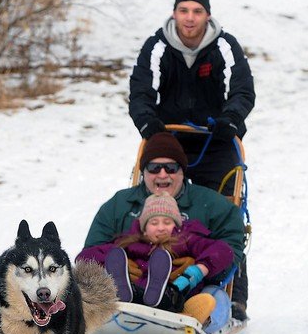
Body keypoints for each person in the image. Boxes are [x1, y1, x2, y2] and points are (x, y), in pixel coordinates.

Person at [82, 131, 248, 320]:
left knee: (212, 298)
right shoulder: (121, 207)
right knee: (90, 287)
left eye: (170, 167)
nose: (162, 174)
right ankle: (115, 305)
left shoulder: (205, 214)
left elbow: (229, 252)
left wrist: (199, 269)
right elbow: (89, 253)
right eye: (154, 168)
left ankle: (192, 316)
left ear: (182, 171)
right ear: (143, 171)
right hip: (131, 287)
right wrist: (113, 263)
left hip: (185, 288)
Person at [128, 0, 255, 194]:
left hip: (215, 139)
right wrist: (147, 123)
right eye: (183, 10)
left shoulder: (224, 46)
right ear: (174, 13)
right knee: (153, 204)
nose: (189, 18)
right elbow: (141, 92)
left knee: (222, 205)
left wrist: (231, 119)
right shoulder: (157, 47)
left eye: (197, 11)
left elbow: (242, 90)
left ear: (207, 15)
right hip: (168, 138)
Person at [77, 192, 234, 326]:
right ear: (144, 229)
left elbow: (223, 251)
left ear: (177, 225)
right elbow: (84, 258)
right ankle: (121, 290)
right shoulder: (130, 244)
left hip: (175, 292)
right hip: (134, 297)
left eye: (167, 222)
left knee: (199, 300)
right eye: (154, 222)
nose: (161, 227)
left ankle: (171, 305)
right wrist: (112, 261)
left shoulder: (186, 240)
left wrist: (197, 271)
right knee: (121, 288)